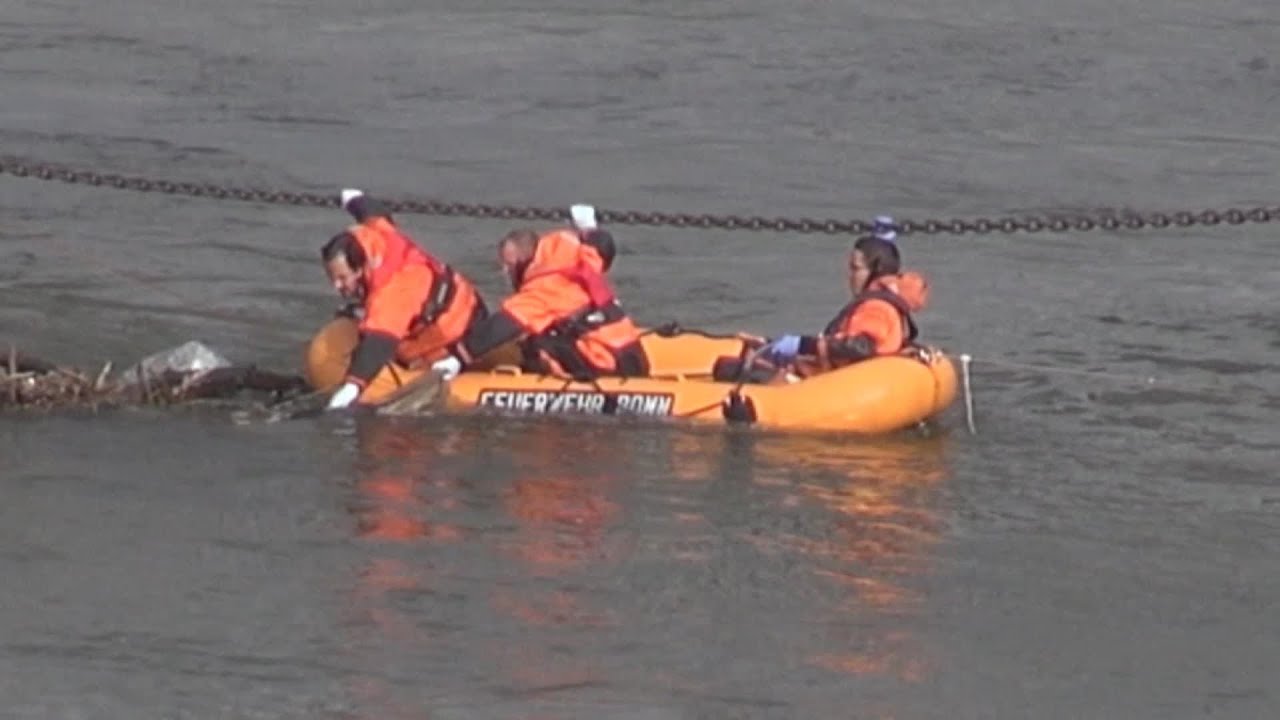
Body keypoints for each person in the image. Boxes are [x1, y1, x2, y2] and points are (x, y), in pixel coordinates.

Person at [323, 188, 489, 410]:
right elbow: (373, 212)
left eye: (343, 278)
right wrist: (352, 199)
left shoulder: (393, 291)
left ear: (361, 268)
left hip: (455, 332)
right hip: (460, 302)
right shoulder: (377, 235)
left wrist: (352, 387)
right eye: (332, 278)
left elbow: (379, 343)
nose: (337, 286)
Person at [428, 223, 649, 382]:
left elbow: (504, 323)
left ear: (524, 262)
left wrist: (458, 358)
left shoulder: (543, 288)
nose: (506, 272)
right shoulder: (575, 252)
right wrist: (589, 230)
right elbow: (602, 245)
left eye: (510, 266)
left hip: (608, 364)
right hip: (630, 351)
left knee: (531, 341)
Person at [748, 216, 930, 379]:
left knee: (729, 369)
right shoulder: (888, 304)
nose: (849, 275)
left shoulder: (876, 307)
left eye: (855, 268)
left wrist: (803, 344)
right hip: (839, 379)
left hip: (840, 385)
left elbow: (860, 347)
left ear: (876, 271)